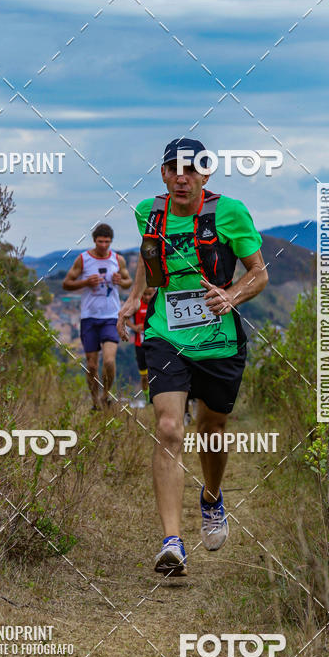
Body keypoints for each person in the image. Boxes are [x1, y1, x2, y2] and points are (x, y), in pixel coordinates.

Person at [117, 138, 268, 576]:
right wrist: (134, 298)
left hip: (219, 341)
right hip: (166, 334)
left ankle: (212, 497)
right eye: (174, 169)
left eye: (191, 169)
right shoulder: (149, 212)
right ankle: (172, 542)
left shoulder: (229, 213)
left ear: (205, 174)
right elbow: (149, 257)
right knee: (168, 428)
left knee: (212, 430)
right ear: (164, 174)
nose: (182, 177)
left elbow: (258, 273)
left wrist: (231, 295)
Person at [63, 223, 132, 409]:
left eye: (107, 242)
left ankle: (105, 395)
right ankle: (94, 402)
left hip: (111, 316)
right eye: (100, 242)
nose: (103, 245)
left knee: (109, 361)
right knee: (92, 365)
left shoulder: (118, 259)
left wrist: (121, 281)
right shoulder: (83, 259)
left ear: (111, 242)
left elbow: (128, 282)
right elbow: (66, 284)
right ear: (94, 241)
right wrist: (85, 282)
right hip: (89, 317)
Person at [125, 287, 155, 404]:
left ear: (154, 292)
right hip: (140, 345)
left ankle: (155, 397)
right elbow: (125, 317)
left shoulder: (157, 303)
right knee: (144, 376)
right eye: (144, 294)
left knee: (156, 373)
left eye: (149, 294)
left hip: (155, 344)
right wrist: (134, 327)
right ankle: (147, 399)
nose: (147, 297)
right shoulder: (137, 304)